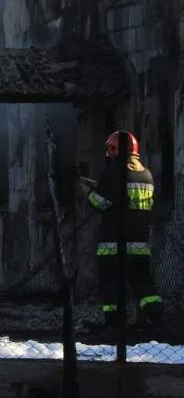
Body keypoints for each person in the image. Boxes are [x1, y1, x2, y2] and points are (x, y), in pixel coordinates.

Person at [80, 130, 166, 333]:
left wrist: (89, 193)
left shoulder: (112, 173)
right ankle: (158, 320)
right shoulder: (146, 174)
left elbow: (100, 203)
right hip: (140, 244)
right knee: (144, 286)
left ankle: (115, 326)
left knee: (111, 286)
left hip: (113, 244)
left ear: (112, 149)